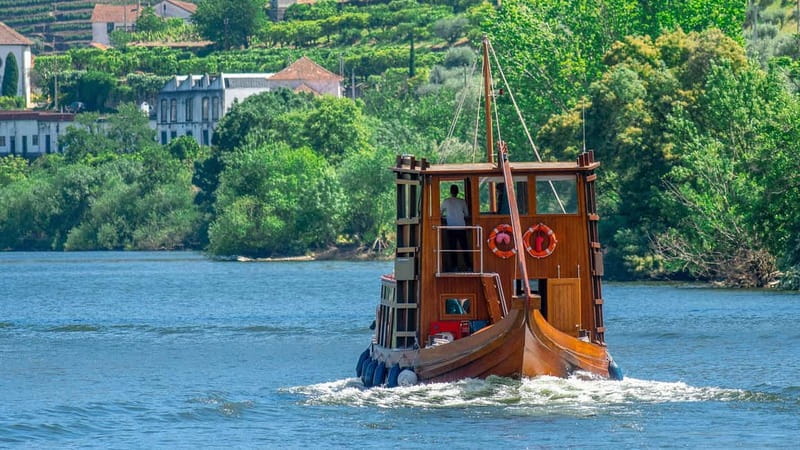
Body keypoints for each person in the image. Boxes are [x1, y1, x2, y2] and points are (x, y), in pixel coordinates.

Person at [440, 185, 471, 271]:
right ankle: (468, 266)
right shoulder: (462, 201)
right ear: (457, 192)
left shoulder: (446, 201)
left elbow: (440, 213)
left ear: (450, 191)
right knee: (465, 247)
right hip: (461, 226)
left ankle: (454, 267)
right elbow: (467, 214)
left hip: (451, 227)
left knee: (452, 248)